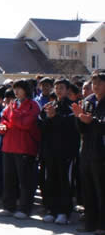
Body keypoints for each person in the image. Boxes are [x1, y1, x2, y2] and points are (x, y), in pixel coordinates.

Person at [0, 79, 41, 219]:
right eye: (15, 89)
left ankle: (24, 208)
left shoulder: (33, 105)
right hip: (9, 145)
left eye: (19, 89)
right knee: (9, 179)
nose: (16, 91)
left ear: (26, 90)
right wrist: (4, 125)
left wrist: (12, 117)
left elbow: (26, 124)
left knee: (25, 181)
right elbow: (3, 118)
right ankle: (8, 206)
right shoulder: (12, 104)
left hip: (25, 146)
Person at [39, 78, 80, 225]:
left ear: (68, 90)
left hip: (66, 152)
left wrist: (54, 117)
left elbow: (71, 127)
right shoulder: (50, 105)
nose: (58, 90)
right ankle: (52, 210)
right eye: (56, 88)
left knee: (65, 182)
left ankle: (64, 212)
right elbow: (42, 126)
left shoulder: (72, 107)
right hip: (50, 151)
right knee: (51, 180)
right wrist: (47, 118)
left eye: (61, 88)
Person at [73, 70, 105, 235]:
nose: (96, 86)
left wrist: (91, 121)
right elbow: (80, 128)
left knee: (101, 189)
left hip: (102, 152)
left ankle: (102, 223)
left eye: (99, 83)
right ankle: (90, 222)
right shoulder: (88, 101)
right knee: (88, 188)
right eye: (94, 83)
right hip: (86, 150)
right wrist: (80, 120)